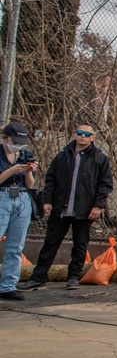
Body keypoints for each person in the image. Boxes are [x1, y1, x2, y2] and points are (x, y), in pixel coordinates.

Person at [20, 123, 113, 291]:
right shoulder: (63, 156)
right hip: (60, 209)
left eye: (86, 134)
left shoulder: (100, 159)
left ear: (93, 138)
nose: (82, 136)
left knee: (80, 244)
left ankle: (73, 277)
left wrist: (98, 206)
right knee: (50, 243)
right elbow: (51, 180)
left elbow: (105, 185)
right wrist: (47, 201)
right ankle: (38, 277)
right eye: (79, 133)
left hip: (84, 210)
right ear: (74, 135)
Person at [0, 123, 39, 300]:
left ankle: (8, 285)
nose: (17, 145)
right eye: (14, 141)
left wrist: (29, 172)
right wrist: (11, 171)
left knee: (16, 246)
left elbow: (30, 185)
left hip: (22, 198)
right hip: (2, 196)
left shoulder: (24, 155)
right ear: (4, 138)